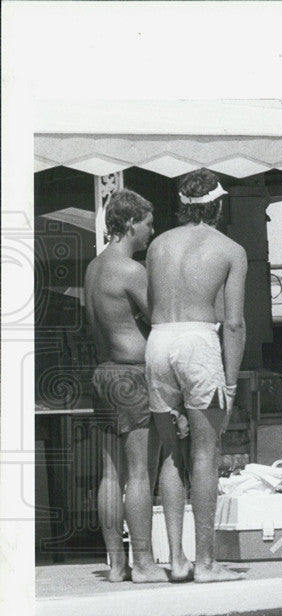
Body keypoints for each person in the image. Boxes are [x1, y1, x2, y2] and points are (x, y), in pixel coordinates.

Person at [145, 168, 247, 582]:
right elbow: (234, 323)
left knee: (171, 453)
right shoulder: (230, 249)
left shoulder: (157, 244)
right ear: (218, 205)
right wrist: (232, 382)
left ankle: (178, 561)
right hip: (197, 339)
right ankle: (206, 563)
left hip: (158, 340)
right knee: (206, 451)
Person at [84, 189, 166, 583]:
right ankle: (145, 563)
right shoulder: (131, 271)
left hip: (103, 372)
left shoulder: (93, 268)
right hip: (132, 373)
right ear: (131, 223)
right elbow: (162, 317)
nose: (152, 231)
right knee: (139, 474)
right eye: (149, 224)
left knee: (110, 474)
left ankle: (116, 563)